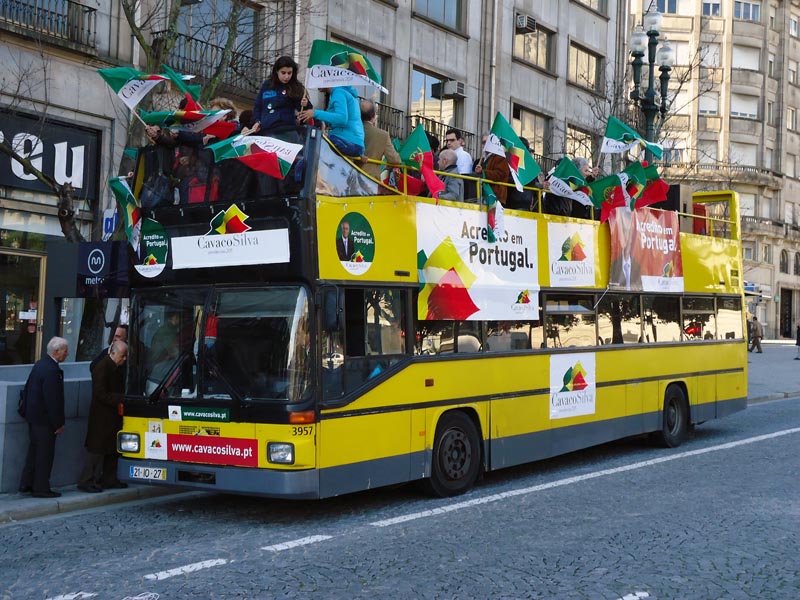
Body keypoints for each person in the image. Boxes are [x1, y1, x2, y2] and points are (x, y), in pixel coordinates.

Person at [19, 337, 69, 498]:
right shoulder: (52, 371)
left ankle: (26, 483)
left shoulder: (40, 364)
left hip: (33, 417)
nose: (67, 354)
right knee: (44, 455)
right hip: (45, 420)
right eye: (65, 351)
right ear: (56, 351)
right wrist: (58, 423)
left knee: (34, 452)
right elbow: (53, 400)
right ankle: (40, 488)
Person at [78, 341, 128, 493]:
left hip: (112, 414)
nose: (124, 359)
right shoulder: (102, 367)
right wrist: (121, 398)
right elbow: (100, 393)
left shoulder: (116, 367)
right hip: (102, 415)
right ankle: (87, 480)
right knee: (96, 449)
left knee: (113, 447)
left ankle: (109, 478)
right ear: (113, 353)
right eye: (122, 355)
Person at [250, 56, 311, 141]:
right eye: (283, 73)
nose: (286, 76)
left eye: (289, 73)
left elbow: (306, 113)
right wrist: (257, 121)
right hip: (267, 131)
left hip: (287, 132)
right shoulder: (267, 85)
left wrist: (306, 104)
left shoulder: (295, 87)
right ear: (276, 71)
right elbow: (258, 106)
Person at [298, 86, 364, 156]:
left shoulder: (339, 92)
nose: (317, 84)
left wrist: (315, 113)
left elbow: (341, 118)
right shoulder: (343, 93)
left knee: (311, 149)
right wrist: (308, 108)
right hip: (352, 142)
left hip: (346, 140)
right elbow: (332, 118)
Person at [359, 99, 401, 180]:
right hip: (370, 179)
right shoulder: (383, 135)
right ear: (374, 116)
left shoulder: (351, 131)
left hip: (349, 176)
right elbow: (396, 160)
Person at [474, 131, 510, 206]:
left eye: (487, 142)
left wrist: (483, 172)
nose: (485, 145)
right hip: (483, 194)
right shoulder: (482, 159)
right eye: (483, 142)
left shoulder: (501, 157)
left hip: (495, 196)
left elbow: (500, 174)